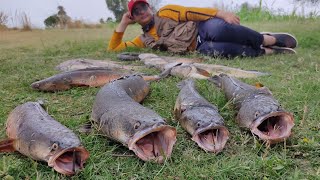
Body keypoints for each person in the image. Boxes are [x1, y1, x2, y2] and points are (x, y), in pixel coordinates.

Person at [107, 0, 297, 58]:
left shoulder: (165, 12)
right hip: (198, 47)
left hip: (203, 28)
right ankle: (268, 51)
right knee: (227, 50)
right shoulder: (144, 40)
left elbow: (192, 12)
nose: (142, 12)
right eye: (136, 12)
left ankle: (267, 39)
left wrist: (220, 14)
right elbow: (114, 49)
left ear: (150, 7)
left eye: (143, 7)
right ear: (133, 17)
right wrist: (123, 23)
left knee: (221, 31)